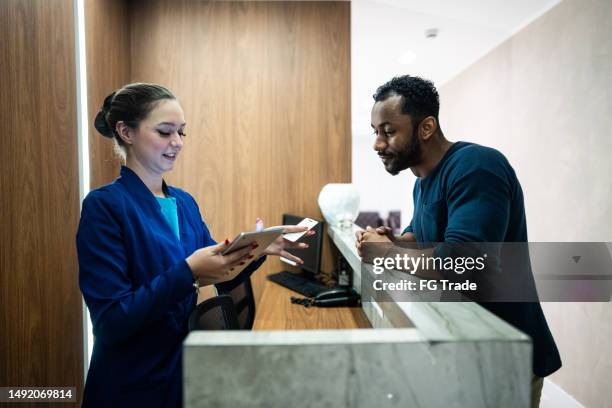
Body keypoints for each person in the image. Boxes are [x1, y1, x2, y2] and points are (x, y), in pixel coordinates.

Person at [77, 83, 310, 407]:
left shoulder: (184, 202)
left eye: (182, 133)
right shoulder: (104, 207)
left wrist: (257, 249)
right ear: (126, 132)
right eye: (165, 132)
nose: (177, 143)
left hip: (184, 373)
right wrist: (188, 272)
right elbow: (113, 321)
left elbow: (219, 272)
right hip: (134, 382)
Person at [355, 75, 561, 407]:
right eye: (376, 132)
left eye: (389, 131)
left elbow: (462, 263)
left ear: (426, 128)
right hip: (463, 343)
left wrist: (385, 254)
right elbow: (420, 237)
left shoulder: (477, 166)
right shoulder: (422, 181)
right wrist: (393, 240)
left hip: (503, 352)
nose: (378, 144)